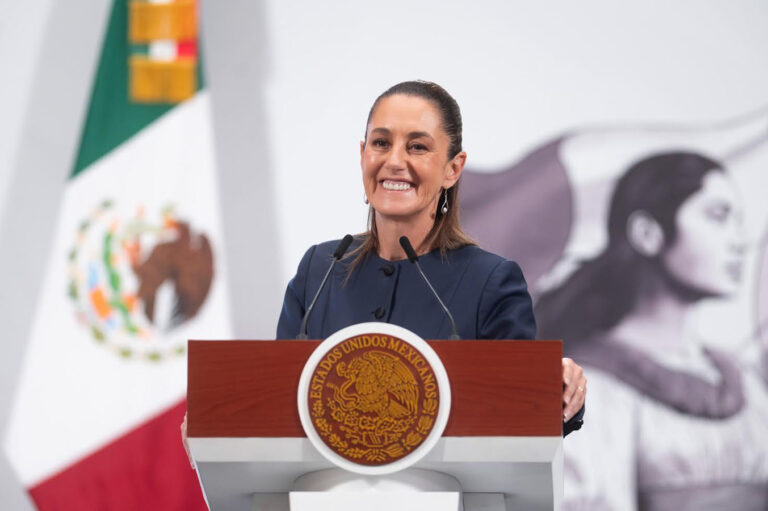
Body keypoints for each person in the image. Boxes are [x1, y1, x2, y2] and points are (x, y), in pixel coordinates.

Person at [276, 80, 586, 434]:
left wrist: (561, 390)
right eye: (381, 143)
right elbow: (276, 399)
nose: (395, 161)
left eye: (417, 147)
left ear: (453, 169)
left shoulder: (491, 282)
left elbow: (525, 413)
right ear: (363, 155)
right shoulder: (319, 270)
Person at [535, 152, 768, 510]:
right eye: (718, 216)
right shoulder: (589, 388)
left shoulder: (745, 382)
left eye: (739, 222)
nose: (739, 241)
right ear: (647, 233)